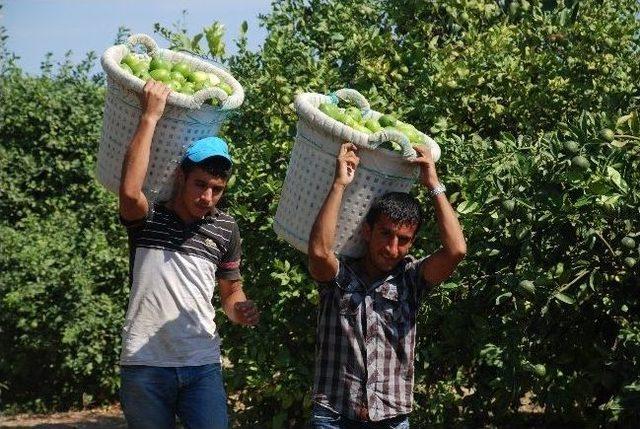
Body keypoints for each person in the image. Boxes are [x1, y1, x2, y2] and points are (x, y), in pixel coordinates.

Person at [117, 80, 259, 429]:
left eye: (217, 190)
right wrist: (150, 116)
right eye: (200, 185)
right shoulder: (149, 218)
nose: (207, 197)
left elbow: (229, 291)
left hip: (202, 363)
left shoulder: (226, 228)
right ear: (181, 177)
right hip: (144, 361)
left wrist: (240, 309)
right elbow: (129, 190)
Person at [307, 142, 467, 428]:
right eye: (385, 234)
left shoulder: (412, 279)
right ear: (367, 231)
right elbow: (319, 252)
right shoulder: (339, 277)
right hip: (334, 415)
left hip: (391, 419)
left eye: (403, 240)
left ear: (412, 242)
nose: (392, 249)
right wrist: (340, 184)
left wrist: (433, 183)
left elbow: (456, 251)